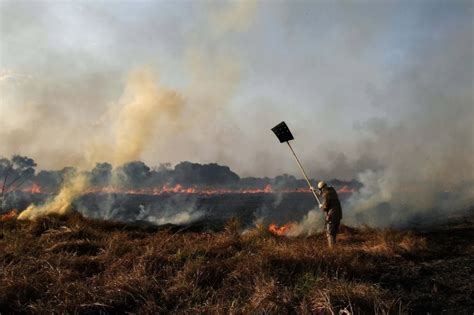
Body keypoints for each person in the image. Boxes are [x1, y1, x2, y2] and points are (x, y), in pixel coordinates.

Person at [311, 181, 342, 248]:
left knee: (330, 233)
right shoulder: (332, 189)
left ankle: (332, 250)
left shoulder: (326, 195)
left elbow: (325, 207)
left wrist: (321, 206)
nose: (320, 190)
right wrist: (314, 190)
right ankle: (334, 248)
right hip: (338, 215)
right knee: (334, 233)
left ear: (322, 188)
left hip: (332, 216)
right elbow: (323, 193)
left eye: (320, 189)